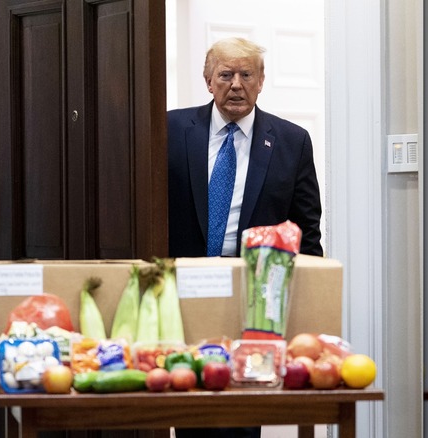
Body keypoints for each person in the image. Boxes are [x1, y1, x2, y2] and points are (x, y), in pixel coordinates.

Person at [167, 37, 323, 437]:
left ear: (261, 81)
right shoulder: (169, 129)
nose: (236, 84)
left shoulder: (291, 141)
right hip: (184, 290)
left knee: (242, 408)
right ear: (208, 80)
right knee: (187, 400)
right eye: (225, 74)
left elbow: (307, 231)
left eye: (246, 74)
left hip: (255, 294)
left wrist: (306, 308)